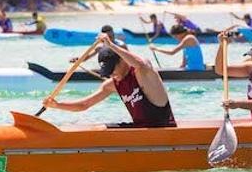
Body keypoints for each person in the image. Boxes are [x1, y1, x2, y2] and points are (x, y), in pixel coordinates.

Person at [43, 35, 176, 128]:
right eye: (107, 71)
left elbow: (140, 63)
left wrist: (111, 45)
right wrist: (57, 105)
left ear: (122, 60)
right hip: (139, 130)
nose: (111, 74)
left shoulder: (142, 72)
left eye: (112, 69)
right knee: (99, 128)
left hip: (162, 129)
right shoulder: (112, 84)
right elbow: (85, 104)